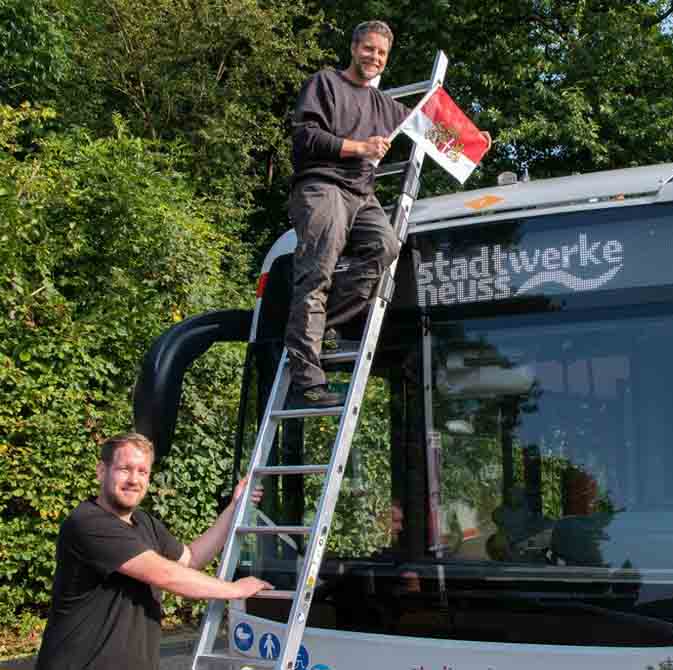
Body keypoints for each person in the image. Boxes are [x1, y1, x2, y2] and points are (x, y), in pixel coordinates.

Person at [285, 20, 490, 408]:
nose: (374, 57)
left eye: (381, 53)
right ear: (354, 47)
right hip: (322, 186)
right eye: (368, 49)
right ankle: (307, 382)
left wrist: (474, 141)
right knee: (317, 272)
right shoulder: (325, 83)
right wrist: (359, 148)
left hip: (361, 195)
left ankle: (320, 323)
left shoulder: (384, 106)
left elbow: (434, 128)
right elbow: (305, 136)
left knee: (384, 245)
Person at [35, 433, 272, 670]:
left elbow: (191, 559)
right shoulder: (87, 523)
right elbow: (165, 575)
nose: (134, 479)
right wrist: (235, 589)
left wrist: (234, 507)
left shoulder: (144, 522)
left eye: (142, 471)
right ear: (101, 471)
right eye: (124, 469)